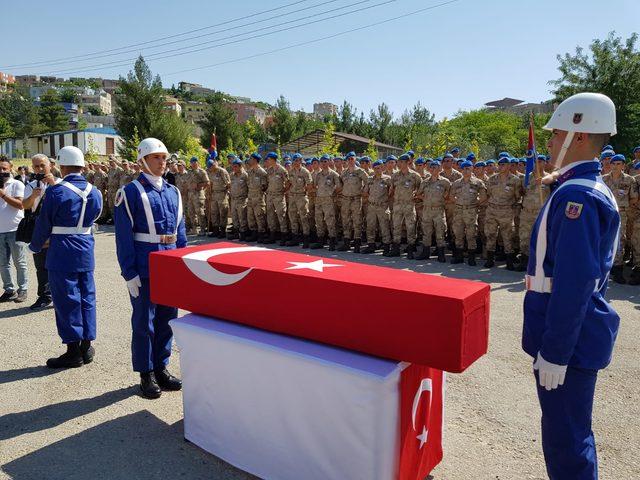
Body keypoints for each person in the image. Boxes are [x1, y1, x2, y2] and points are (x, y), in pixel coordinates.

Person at [522, 92, 621, 480]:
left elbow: (574, 283)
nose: (548, 142)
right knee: (568, 433)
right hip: (571, 334)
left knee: (567, 442)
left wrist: (557, 351)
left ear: (578, 136)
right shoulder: (576, 187)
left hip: (569, 340)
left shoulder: (577, 196)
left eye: (555, 133)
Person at [114, 138, 186, 399]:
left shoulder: (172, 191)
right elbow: (124, 237)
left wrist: (183, 266)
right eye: (156, 157)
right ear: (142, 161)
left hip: (169, 263)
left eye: (164, 157)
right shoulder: (130, 192)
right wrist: (129, 272)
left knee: (167, 319)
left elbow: (181, 233)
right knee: (145, 321)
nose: (162, 161)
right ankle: (146, 374)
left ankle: (161, 367)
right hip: (145, 264)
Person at [29, 146, 103, 368]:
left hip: (62, 249)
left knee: (66, 298)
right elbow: (96, 215)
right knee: (87, 297)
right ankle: (86, 346)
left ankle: (73, 351)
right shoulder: (95, 191)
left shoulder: (57, 191)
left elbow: (44, 222)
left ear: (62, 165)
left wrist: (34, 245)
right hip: (85, 247)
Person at [21, 154, 60, 310]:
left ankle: (60, 295)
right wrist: (33, 196)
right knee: (41, 266)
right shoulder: (30, 186)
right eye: (36, 166)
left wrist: (53, 184)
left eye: (42, 165)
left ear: (50, 165)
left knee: (59, 265)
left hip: (58, 231)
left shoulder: (61, 183)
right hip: (39, 230)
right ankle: (44, 296)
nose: (40, 169)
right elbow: (24, 205)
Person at [602, 154, 637, 283]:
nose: (615, 166)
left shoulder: (629, 180)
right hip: (605, 213)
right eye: (613, 164)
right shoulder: (603, 179)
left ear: (623, 165)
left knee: (620, 240)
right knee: (604, 238)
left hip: (621, 214)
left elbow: (634, 198)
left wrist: (625, 206)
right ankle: (604, 267)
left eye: (618, 164)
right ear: (610, 165)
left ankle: (618, 269)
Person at [484, 157, 523, 269]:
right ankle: (490, 260)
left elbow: (517, 196)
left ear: (509, 166)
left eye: (503, 164)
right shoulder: (492, 179)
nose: (501, 166)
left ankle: (509, 262)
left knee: (507, 236)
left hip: (506, 211)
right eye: (500, 164)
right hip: (492, 210)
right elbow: (489, 193)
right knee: (490, 234)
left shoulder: (515, 180)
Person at [0, 156, 27, 303]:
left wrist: (3, 194)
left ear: (10, 168)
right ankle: (9, 289)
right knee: (3, 263)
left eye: (4, 168)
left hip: (15, 229)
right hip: (0, 230)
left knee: (19, 262)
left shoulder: (17, 184)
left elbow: (20, 205)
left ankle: (22, 289)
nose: (2, 171)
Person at [450, 160, 487, 266]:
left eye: (468, 169)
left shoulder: (478, 183)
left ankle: (471, 257)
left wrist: (475, 203)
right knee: (458, 233)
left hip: (471, 211)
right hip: (458, 211)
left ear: (472, 169)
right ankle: (459, 256)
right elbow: (451, 196)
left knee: (471, 234)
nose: (465, 171)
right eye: (463, 169)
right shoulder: (456, 183)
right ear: (461, 170)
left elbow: (483, 196)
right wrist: (458, 202)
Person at [386, 153, 422, 259]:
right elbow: (391, 190)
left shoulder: (415, 176)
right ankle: (396, 249)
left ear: (408, 163)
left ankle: (410, 249)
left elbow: (421, 190)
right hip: (397, 204)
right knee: (396, 226)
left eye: (402, 162)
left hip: (409, 205)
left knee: (410, 227)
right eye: (399, 162)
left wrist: (415, 195)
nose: (399, 164)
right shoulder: (395, 176)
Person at [338, 151, 368, 252]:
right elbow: (340, 184)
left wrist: (364, 190)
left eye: (352, 158)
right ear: (347, 161)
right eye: (349, 159)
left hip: (356, 199)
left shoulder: (360, 171)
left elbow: (368, 182)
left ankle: (357, 243)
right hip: (346, 199)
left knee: (357, 220)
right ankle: (346, 242)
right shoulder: (344, 172)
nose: (350, 161)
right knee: (345, 220)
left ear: (355, 159)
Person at [311, 155, 341, 250]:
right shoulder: (318, 175)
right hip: (319, 199)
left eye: (325, 161)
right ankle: (320, 241)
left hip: (328, 200)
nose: (324, 163)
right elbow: (314, 186)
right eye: (322, 161)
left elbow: (339, 187)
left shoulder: (333, 174)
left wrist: (332, 193)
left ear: (329, 162)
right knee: (319, 220)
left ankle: (332, 241)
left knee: (330, 220)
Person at [362, 159, 392, 254]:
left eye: (378, 168)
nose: (377, 170)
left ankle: (386, 246)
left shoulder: (387, 179)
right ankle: (371, 245)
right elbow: (365, 192)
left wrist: (385, 199)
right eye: (375, 168)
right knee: (370, 226)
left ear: (382, 168)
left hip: (382, 206)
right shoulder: (370, 179)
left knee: (384, 227)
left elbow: (392, 192)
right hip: (371, 206)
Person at [286, 153, 313, 247]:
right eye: (295, 160)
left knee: (303, 217)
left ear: (301, 161)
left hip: (301, 196)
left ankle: (306, 239)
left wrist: (304, 192)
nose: (297, 162)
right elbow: (289, 183)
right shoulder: (291, 171)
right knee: (292, 217)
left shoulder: (305, 172)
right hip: (293, 196)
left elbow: (309, 185)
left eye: (299, 160)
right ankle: (295, 238)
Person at [263, 152, 289, 245]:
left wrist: (283, 191)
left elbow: (288, 183)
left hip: (279, 195)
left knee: (281, 215)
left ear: (273, 159)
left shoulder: (282, 170)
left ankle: (284, 236)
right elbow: (267, 182)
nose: (267, 161)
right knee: (270, 215)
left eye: (268, 159)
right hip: (270, 195)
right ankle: (272, 235)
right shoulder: (269, 170)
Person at [206, 154, 231, 238]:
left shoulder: (222, 171)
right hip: (213, 194)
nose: (210, 169)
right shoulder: (210, 172)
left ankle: (223, 231)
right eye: (209, 167)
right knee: (214, 213)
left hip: (221, 194)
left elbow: (228, 183)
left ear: (214, 165)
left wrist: (225, 192)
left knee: (222, 212)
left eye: (211, 167)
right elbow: (210, 183)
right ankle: (216, 230)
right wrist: (209, 193)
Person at [246, 153, 268, 243]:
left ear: (255, 160)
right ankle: (254, 233)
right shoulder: (250, 172)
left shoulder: (262, 172)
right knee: (250, 216)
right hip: (250, 197)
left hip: (258, 197)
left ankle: (261, 234)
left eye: (251, 159)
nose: (249, 160)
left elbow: (265, 186)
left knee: (259, 216)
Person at [186, 157, 209, 235]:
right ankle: (194, 229)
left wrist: (199, 185)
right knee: (191, 212)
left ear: (197, 163)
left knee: (200, 212)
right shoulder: (189, 172)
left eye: (194, 162)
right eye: (192, 162)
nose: (193, 164)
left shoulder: (202, 172)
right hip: (190, 195)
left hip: (198, 194)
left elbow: (207, 183)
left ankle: (203, 229)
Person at [227, 159, 249, 241]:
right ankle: (236, 233)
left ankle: (243, 234)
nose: (234, 168)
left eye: (236, 166)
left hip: (242, 199)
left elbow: (249, 187)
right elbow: (229, 185)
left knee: (242, 217)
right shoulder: (232, 175)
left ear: (240, 166)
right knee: (235, 217)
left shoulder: (245, 175)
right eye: (233, 166)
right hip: (234, 199)